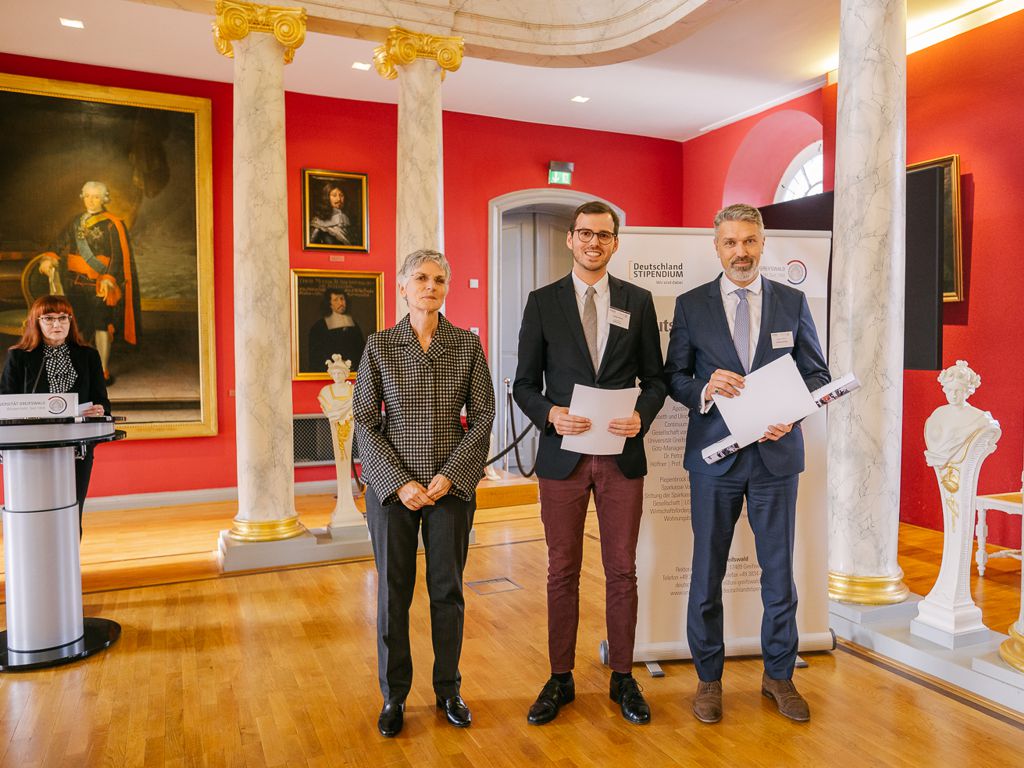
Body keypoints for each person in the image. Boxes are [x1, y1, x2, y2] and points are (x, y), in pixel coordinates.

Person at [663, 203, 830, 724]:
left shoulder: (792, 302)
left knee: (779, 575)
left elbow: (817, 376)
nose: (741, 252)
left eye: (750, 242)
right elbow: (674, 377)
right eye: (731, 243)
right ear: (716, 247)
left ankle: (778, 677)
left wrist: (793, 412)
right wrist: (706, 390)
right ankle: (709, 681)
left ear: (762, 245)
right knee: (706, 573)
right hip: (714, 462)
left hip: (776, 460)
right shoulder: (691, 305)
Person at [513, 200, 666, 726]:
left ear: (616, 242)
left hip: (622, 458)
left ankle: (623, 678)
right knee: (562, 571)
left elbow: (658, 379)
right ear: (570, 239)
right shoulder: (542, 302)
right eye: (584, 233)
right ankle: (560, 679)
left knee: (622, 570)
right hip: (564, 460)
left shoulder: (638, 302)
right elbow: (523, 385)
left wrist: (642, 415)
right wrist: (550, 413)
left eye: (603, 234)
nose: (593, 242)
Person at [353, 249, 495, 738]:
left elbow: (482, 417)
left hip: (449, 488)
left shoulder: (466, 346)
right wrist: (398, 482)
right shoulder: (379, 346)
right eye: (420, 278)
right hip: (394, 490)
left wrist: (453, 475)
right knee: (393, 593)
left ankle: (448, 689)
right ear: (403, 287)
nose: (430, 286)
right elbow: (366, 425)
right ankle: (394, 696)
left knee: (447, 592)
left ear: (447, 288)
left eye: (438, 279)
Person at [0, 295, 110, 535]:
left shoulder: (88, 355)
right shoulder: (19, 357)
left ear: (71, 321)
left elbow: (103, 401)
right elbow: (4, 404)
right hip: (31, 451)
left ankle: (68, 569)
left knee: (70, 512)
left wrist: (100, 410)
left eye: (63, 318)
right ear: (36, 322)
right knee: (36, 514)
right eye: (48, 318)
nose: (57, 324)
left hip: (76, 448)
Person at [307, 288, 365, 372]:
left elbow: (361, 350)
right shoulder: (319, 326)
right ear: (329, 304)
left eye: (342, 299)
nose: (341, 303)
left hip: (352, 370)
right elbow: (317, 355)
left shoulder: (354, 324)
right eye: (336, 300)